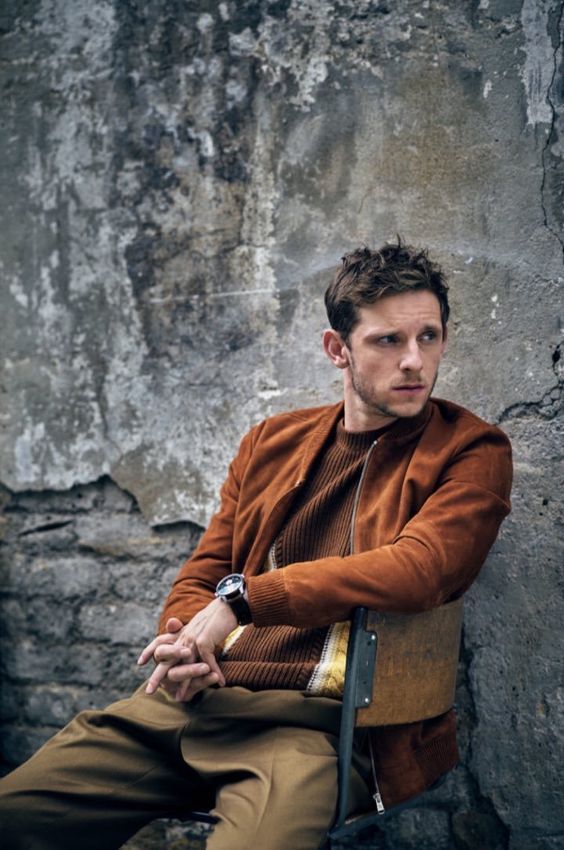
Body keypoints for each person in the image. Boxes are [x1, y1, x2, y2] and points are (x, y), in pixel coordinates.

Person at [0, 240, 512, 850]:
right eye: (387, 341)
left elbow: (420, 569)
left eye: (429, 337)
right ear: (337, 350)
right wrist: (187, 641)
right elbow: (204, 573)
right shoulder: (271, 441)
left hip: (315, 731)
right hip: (192, 707)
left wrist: (243, 601)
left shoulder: (471, 450)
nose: (413, 361)